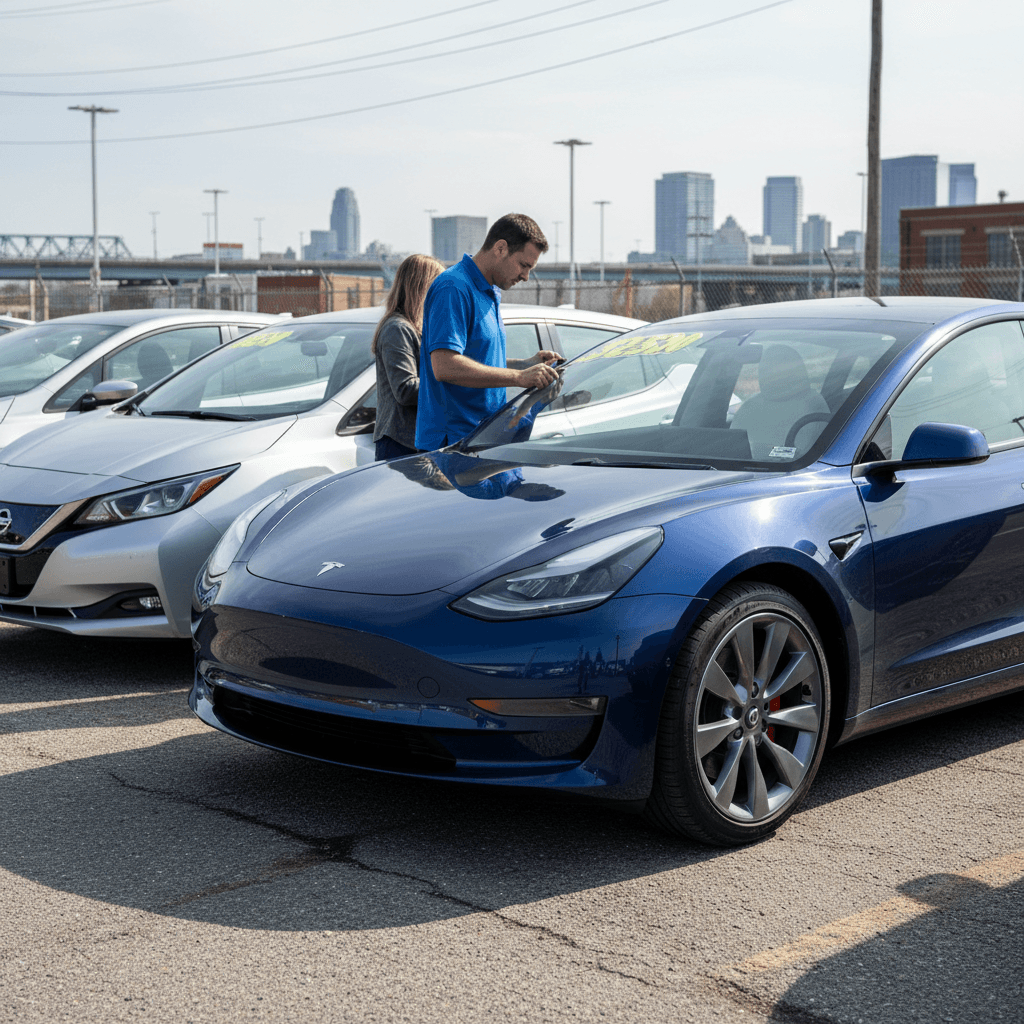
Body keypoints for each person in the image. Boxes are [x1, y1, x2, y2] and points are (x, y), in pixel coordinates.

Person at [415, 213, 561, 451]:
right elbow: (445, 366)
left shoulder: (490, 291)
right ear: (500, 248)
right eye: (524, 265)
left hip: (481, 436)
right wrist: (518, 378)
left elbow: (476, 360)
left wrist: (523, 365)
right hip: (453, 444)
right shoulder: (453, 287)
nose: (525, 276)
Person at [371, 253, 445, 461]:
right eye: (437, 286)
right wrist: (454, 380)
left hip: (417, 442)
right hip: (401, 445)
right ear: (422, 287)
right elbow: (405, 390)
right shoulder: (398, 328)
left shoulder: (417, 327)